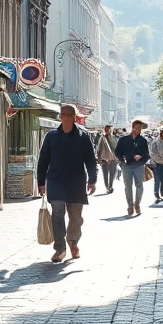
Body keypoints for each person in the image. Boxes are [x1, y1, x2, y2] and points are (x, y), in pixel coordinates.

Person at [36, 104, 97, 263]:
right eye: (64, 116)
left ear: (74, 118)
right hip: (56, 181)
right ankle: (60, 248)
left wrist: (92, 179)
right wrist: (41, 182)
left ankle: (73, 242)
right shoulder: (52, 136)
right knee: (57, 212)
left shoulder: (83, 136)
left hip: (76, 182)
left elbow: (90, 160)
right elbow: (43, 160)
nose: (67, 119)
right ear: (61, 117)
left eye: (70, 116)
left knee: (76, 217)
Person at [114, 118, 151, 216]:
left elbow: (147, 154)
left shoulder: (143, 140)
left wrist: (141, 158)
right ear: (132, 127)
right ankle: (130, 206)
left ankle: (137, 204)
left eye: (140, 128)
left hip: (138, 166)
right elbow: (117, 152)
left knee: (140, 186)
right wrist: (123, 159)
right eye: (137, 127)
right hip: (126, 166)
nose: (139, 129)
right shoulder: (123, 140)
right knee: (128, 186)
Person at [96, 125, 119, 194]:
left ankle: (110, 186)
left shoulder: (114, 138)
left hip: (113, 159)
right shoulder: (102, 138)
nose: (108, 131)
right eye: (107, 129)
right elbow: (99, 149)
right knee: (106, 174)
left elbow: (117, 148)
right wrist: (99, 159)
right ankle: (108, 187)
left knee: (112, 174)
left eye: (109, 129)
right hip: (105, 160)